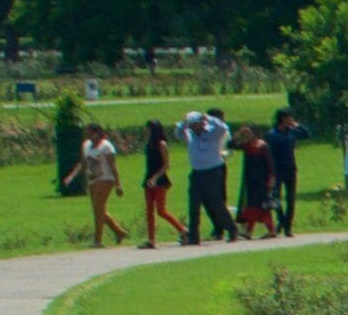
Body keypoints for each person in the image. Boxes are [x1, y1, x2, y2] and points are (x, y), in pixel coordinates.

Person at [176, 107, 231, 247]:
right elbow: (178, 133)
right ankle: (194, 236)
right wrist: (184, 122)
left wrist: (209, 118)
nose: (193, 128)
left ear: (201, 123)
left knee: (216, 202)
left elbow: (224, 128)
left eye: (195, 125)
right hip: (197, 173)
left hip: (213, 171)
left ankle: (231, 229)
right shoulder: (189, 133)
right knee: (194, 204)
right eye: (191, 126)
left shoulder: (213, 131)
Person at [75, 125, 128, 246]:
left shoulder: (106, 146)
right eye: (87, 133)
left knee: (98, 208)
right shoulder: (86, 145)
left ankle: (97, 240)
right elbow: (84, 163)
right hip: (92, 179)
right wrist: (75, 175)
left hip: (106, 179)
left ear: (98, 133)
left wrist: (118, 184)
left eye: (91, 133)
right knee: (98, 210)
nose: (88, 135)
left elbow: (113, 166)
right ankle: (119, 232)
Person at [137, 118, 176, 249]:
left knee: (161, 210)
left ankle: (182, 229)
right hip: (148, 179)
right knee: (149, 211)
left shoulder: (162, 144)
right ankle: (151, 239)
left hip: (160, 180)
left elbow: (166, 165)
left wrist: (155, 178)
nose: (147, 131)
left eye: (149, 129)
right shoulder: (148, 144)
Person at [234, 123, 277, 239]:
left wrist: (271, 178)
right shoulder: (246, 146)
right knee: (259, 207)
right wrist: (238, 135)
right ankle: (270, 230)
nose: (247, 135)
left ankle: (249, 231)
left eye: (249, 132)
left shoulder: (262, 146)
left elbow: (270, 164)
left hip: (262, 181)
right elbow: (232, 145)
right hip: (250, 181)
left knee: (255, 206)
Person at [266, 109, 305, 237]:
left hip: (290, 169)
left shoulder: (292, 132)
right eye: (290, 117)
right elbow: (269, 154)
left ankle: (288, 226)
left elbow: (307, 134)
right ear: (283, 118)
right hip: (277, 170)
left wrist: (298, 126)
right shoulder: (272, 134)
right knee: (276, 197)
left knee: (291, 199)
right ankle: (282, 220)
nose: (292, 120)